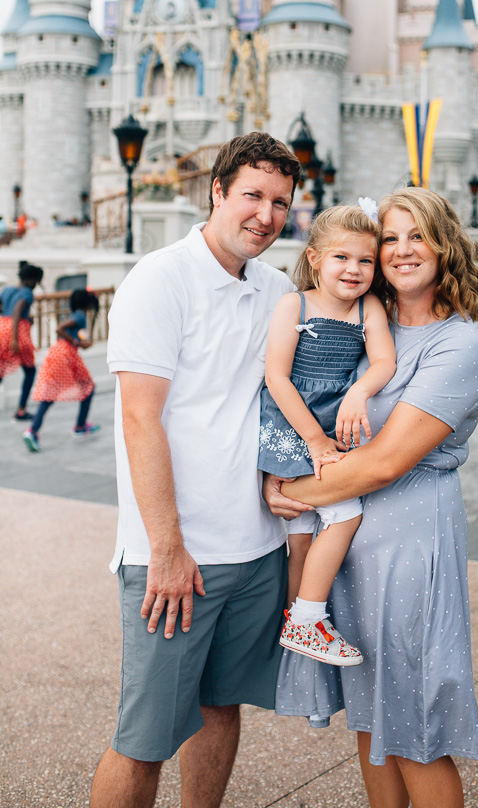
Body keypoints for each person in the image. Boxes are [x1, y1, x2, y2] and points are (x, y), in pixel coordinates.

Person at [90, 132, 301, 808]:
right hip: (176, 559)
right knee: (143, 740)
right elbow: (139, 420)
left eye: (279, 202)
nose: (265, 215)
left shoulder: (277, 290)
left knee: (221, 708)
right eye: (251, 196)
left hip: (257, 550)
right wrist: (167, 548)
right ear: (216, 191)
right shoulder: (160, 278)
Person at [264, 187, 478, 808]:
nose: (400, 250)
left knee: (417, 723)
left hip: (413, 540)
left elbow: (388, 461)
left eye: (416, 235)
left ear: (445, 244)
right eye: (389, 238)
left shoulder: (461, 345)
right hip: (353, 545)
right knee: (371, 718)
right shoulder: (369, 322)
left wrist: (287, 489)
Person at [259, 205, 396, 666]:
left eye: (366, 261)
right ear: (315, 258)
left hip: (334, 423)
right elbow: (277, 378)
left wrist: (359, 391)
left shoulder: (368, 307)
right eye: (342, 258)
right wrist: (315, 442)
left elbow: (383, 362)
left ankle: (296, 621)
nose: (354, 270)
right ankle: (306, 617)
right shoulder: (293, 304)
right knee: (341, 514)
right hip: (293, 424)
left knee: (306, 524)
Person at [23, 289, 101, 452]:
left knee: (50, 395)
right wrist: (77, 342)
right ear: (87, 303)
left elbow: (78, 337)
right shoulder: (80, 316)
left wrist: (81, 342)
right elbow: (60, 329)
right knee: (89, 387)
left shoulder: (76, 316)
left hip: (57, 353)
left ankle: (32, 431)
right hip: (66, 355)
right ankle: (80, 426)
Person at [0, 262, 44, 421]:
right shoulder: (27, 293)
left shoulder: (8, 289)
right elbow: (18, 309)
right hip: (17, 332)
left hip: (2, 327)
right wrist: (14, 338)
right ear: (32, 280)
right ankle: (21, 410)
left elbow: (4, 307)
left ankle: (21, 410)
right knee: (30, 371)